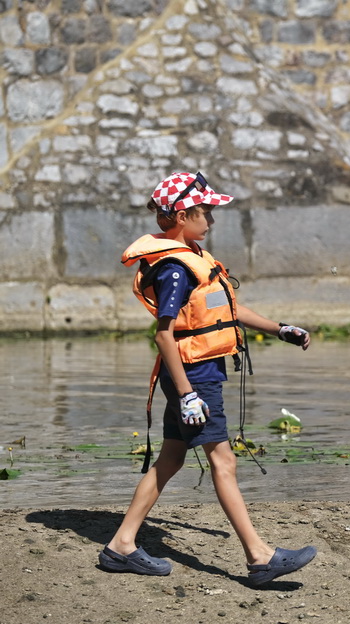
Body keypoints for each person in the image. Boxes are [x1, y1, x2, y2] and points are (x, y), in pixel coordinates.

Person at [99, 171, 318, 584]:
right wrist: (186, 394)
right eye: (207, 211)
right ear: (183, 215)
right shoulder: (175, 269)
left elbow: (228, 310)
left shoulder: (195, 255)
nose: (213, 219)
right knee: (224, 460)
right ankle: (260, 556)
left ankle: (121, 545)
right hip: (193, 376)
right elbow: (164, 334)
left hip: (196, 373)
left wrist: (280, 329)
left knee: (171, 458)